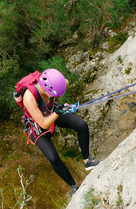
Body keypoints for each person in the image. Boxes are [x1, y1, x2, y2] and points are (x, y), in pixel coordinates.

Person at [23, 68, 100, 196]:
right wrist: (57, 112)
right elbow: (44, 124)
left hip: (52, 111)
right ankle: (73, 186)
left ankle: (87, 161)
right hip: (37, 124)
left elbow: (65, 83)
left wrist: (61, 109)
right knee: (53, 157)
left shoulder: (58, 83)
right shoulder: (29, 98)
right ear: (47, 89)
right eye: (54, 94)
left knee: (82, 125)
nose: (56, 97)